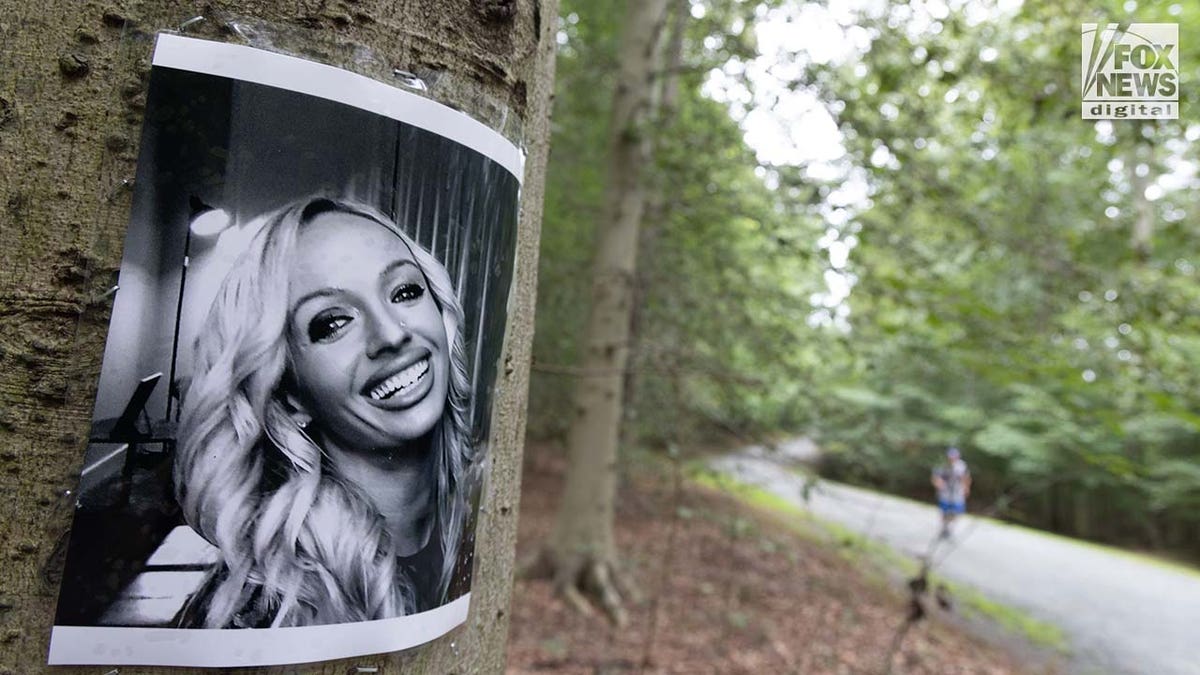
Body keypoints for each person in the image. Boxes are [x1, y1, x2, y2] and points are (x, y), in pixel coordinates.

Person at [174, 197, 474, 628]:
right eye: (332, 322)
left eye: (405, 291)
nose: (390, 335)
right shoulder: (263, 612)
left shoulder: (481, 519)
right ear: (288, 395)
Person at [931, 447, 970, 539]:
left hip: (957, 492)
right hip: (946, 492)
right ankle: (944, 528)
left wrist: (966, 488)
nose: (952, 458)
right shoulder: (942, 466)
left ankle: (949, 527)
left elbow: (966, 478)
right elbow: (936, 478)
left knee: (956, 511)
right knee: (944, 511)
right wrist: (939, 484)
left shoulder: (961, 466)